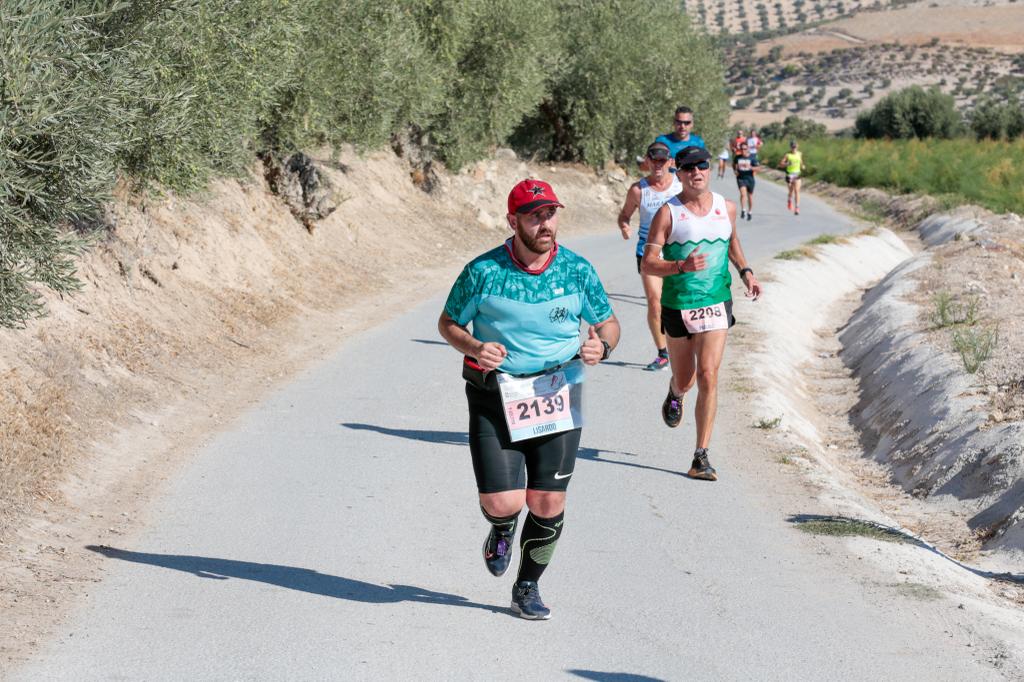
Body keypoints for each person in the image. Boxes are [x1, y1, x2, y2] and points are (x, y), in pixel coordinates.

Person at [438, 178, 621, 620]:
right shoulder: (482, 272)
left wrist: (603, 347)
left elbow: (609, 323)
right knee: (503, 503)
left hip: (556, 393)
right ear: (513, 220)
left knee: (547, 501)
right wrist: (475, 347)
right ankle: (501, 528)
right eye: (534, 215)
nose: (545, 223)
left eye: (550, 213)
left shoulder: (577, 270)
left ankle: (527, 586)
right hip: (495, 394)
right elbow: (447, 324)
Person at [641, 146, 762, 481]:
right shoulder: (668, 213)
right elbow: (648, 263)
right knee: (687, 378)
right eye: (689, 167)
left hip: (716, 302)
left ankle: (700, 456)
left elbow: (732, 241)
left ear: (710, 169)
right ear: (678, 173)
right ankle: (676, 392)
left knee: (709, 373)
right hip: (679, 306)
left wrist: (746, 272)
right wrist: (681, 265)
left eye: (702, 165)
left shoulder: (727, 207)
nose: (696, 171)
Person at [617, 141, 683, 371]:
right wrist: (624, 226)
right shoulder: (638, 190)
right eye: (653, 159)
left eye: (662, 160)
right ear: (647, 161)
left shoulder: (680, 183)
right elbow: (624, 215)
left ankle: (684, 346)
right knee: (655, 302)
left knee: (680, 300)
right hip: (648, 253)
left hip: (678, 251)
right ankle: (663, 353)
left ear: (671, 162)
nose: (657, 164)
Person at [732, 141, 760, 221]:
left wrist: (751, 167)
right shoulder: (737, 157)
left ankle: (750, 212)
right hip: (741, 178)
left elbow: (758, 168)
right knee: (743, 194)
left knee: (750, 196)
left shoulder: (752, 158)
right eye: (742, 149)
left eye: (745, 148)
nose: (743, 150)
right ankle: (743, 210)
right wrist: (735, 171)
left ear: (748, 148)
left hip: (750, 179)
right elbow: (734, 165)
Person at [779, 140, 805, 215]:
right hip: (789, 174)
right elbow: (781, 164)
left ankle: (797, 208)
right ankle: (789, 200)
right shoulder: (787, 155)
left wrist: (802, 166)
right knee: (791, 191)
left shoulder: (800, 154)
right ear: (790, 147)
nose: (794, 148)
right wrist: (787, 163)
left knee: (797, 191)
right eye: (793, 147)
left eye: (795, 147)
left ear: (797, 147)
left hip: (797, 174)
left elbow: (801, 162)